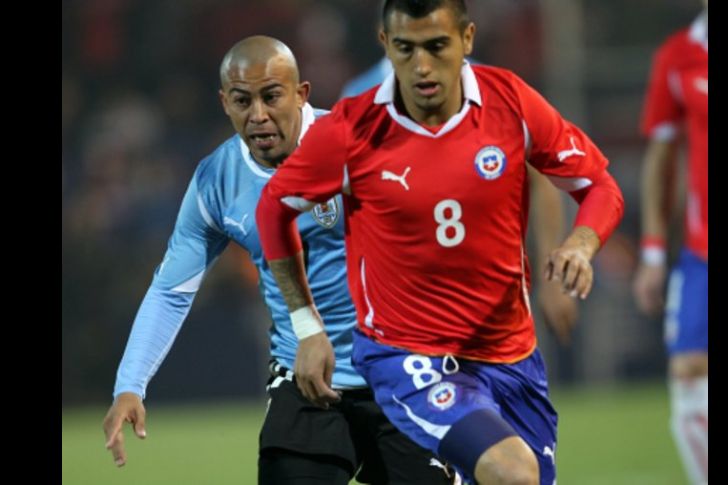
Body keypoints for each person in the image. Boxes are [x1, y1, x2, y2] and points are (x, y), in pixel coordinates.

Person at [256, 1, 624, 483]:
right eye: (406, 49)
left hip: (511, 354)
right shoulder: (351, 128)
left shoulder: (510, 101)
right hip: (407, 356)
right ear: (386, 45)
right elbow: (274, 209)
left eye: (436, 46)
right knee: (512, 473)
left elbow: (598, 185)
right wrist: (307, 325)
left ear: (467, 39)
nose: (422, 66)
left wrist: (581, 243)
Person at [102, 35, 457, 485]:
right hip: (305, 381)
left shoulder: (360, 148)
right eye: (242, 100)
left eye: (271, 97)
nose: (258, 115)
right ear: (223, 103)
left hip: (405, 374)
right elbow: (171, 291)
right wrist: (130, 384)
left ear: (301, 94)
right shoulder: (218, 181)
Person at [341, 55, 578, 345]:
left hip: (493, 299)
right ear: (387, 38)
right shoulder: (358, 96)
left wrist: (551, 276)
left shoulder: (498, 89)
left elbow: (541, 178)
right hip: (404, 304)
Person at [632, 2, 708, 483]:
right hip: (701, 253)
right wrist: (654, 251)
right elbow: (661, 157)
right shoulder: (679, 57)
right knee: (687, 374)